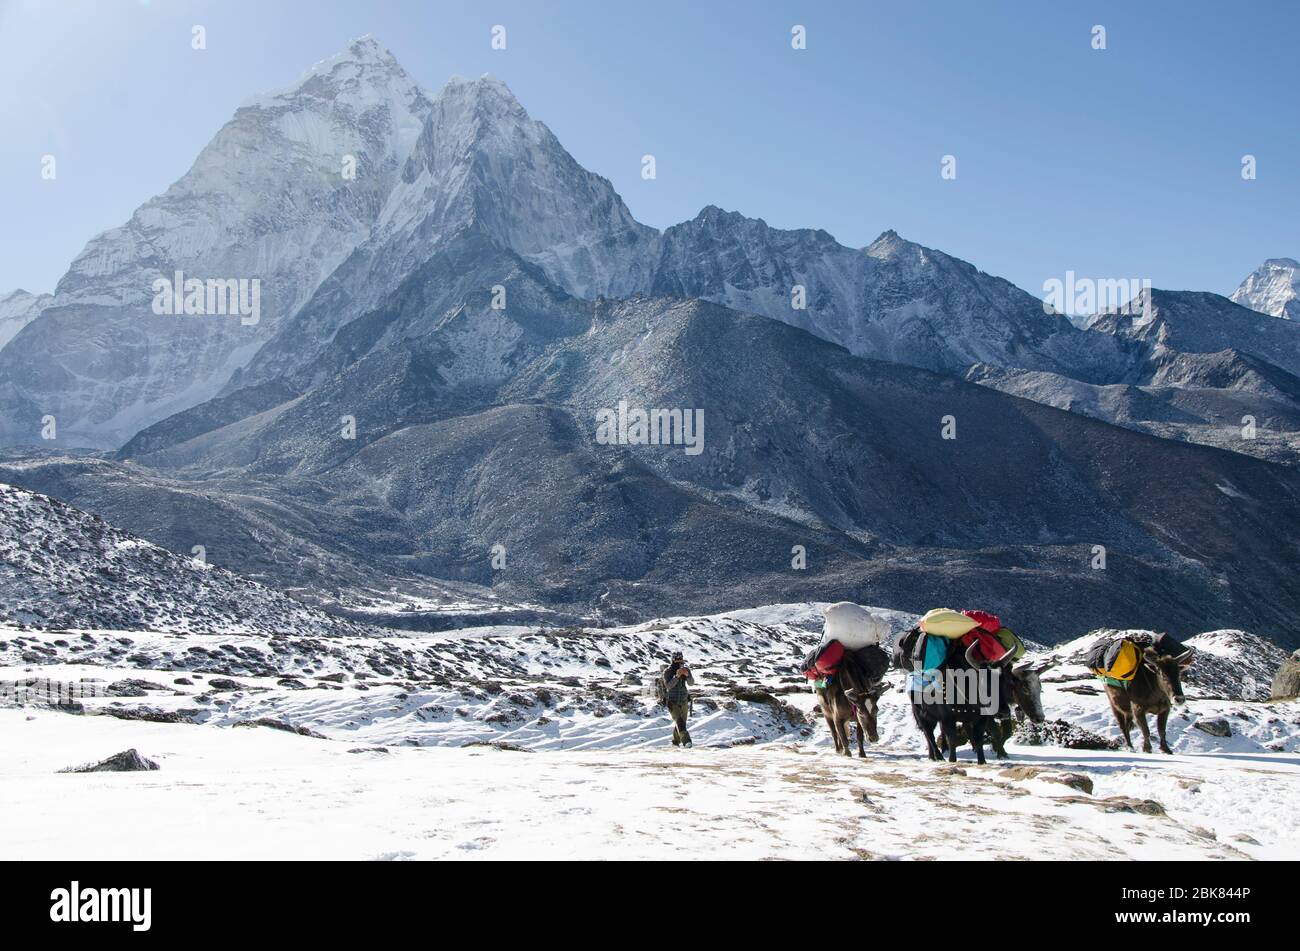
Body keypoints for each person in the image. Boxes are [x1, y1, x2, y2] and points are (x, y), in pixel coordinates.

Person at [661, 651, 695, 747]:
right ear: (673, 660)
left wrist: (687, 675)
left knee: (682, 722)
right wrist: (677, 676)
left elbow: (691, 683)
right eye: (677, 660)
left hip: (684, 700)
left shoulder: (686, 670)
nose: (680, 662)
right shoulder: (667, 671)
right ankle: (687, 741)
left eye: (681, 660)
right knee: (679, 721)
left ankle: (675, 742)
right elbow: (668, 686)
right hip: (672, 701)